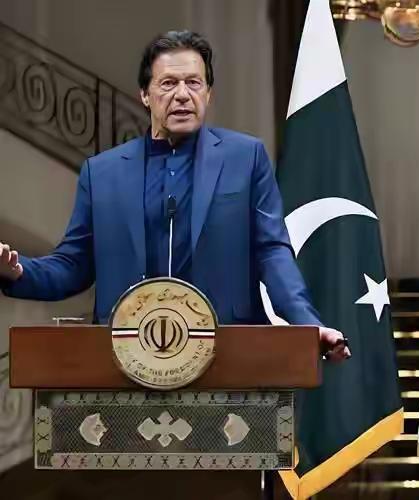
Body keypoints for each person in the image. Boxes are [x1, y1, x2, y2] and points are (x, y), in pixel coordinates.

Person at [0, 30, 349, 362]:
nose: (182, 94)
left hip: (229, 356)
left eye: (193, 83)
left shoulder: (246, 158)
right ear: (145, 94)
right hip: (127, 357)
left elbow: (272, 252)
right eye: (168, 83)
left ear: (208, 93)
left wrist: (307, 323)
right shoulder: (102, 173)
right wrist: (16, 271)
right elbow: (73, 265)